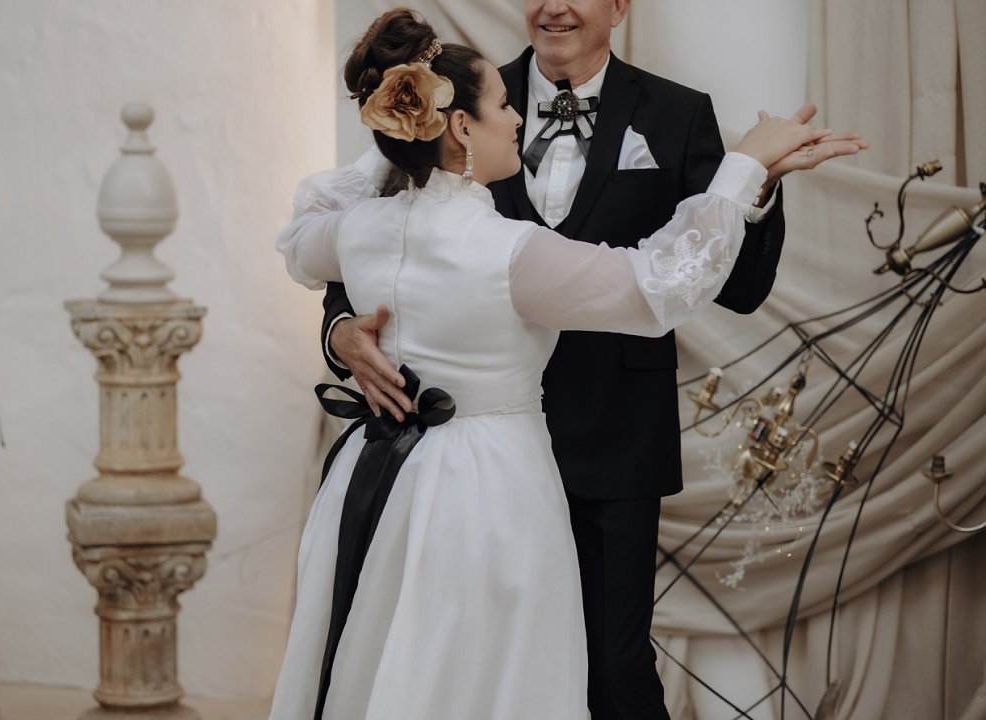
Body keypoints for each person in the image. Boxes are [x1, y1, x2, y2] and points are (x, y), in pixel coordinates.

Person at [270, 9, 863, 720]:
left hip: (597, 442)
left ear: (621, 5)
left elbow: (312, 237)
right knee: (487, 664)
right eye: (502, 111)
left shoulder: (672, 113)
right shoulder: (496, 205)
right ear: (457, 125)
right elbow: (659, 280)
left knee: (500, 665)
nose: (516, 119)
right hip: (489, 474)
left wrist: (754, 189)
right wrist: (743, 167)